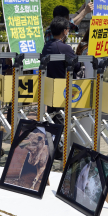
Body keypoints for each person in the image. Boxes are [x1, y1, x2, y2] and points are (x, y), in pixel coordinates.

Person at [42, 16, 79, 159]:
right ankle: (59, 152)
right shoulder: (64, 47)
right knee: (61, 120)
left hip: (50, 89)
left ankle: (55, 150)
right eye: (68, 30)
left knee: (52, 118)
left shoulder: (47, 46)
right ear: (64, 31)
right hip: (63, 88)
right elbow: (75, 65)